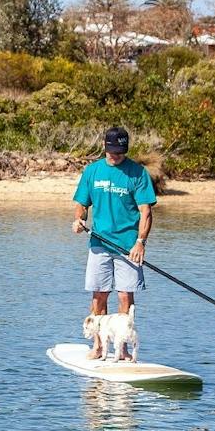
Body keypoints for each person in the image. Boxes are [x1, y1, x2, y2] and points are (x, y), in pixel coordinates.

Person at [71, 125, 156, 359]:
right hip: (99, 244)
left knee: (125, 297)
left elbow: (146, 211)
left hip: (128, 246)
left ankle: (123, 348)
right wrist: (79, 220)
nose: (116, 155)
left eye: (121, 151)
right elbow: (82, 203)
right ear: (105, 147)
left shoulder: (138, 174)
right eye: (112, 151)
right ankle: (99, 346)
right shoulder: (92, 172)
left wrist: (140, 242)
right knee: (99, 295)